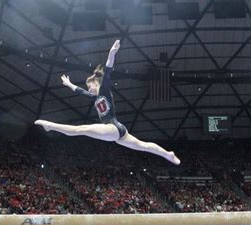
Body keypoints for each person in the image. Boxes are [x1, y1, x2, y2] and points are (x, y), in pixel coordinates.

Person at [35, 40, 180, 166]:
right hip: (119, 131)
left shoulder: (104, 90)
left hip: (112, 128)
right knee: (144, 146)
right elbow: (80, 91)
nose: (88, 89)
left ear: (95, 83)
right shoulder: (96, 98)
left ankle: (50, 126)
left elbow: (108, 70)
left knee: (82, 129)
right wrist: (69, 84)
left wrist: (112, 53)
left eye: (89, 86)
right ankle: (168, 154)